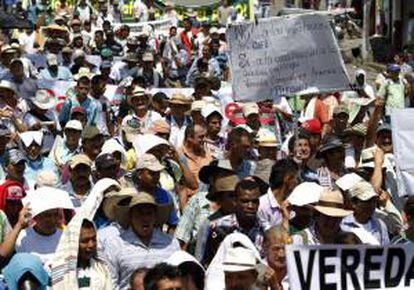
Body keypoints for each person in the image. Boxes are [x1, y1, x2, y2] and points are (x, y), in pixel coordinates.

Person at [100, 192, 180, 290]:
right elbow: (110, 284)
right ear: (130, 216)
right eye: (140, 213)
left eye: (149, 213)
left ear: (155, 216)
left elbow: (177, 280)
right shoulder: (115, 245)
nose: (145, 218)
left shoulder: (171, 243)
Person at [196, 178, 264, 266]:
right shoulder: (218, 227)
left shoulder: (266, 229)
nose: (250, 206)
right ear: (235, 201)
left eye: (254, 202)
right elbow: (205, 261)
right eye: (245, 201)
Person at [132, 154, 178, 229]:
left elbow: (173, 224)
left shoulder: (165, 196)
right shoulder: (131, 195)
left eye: (158, 173)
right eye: (152, 173)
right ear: (139, 174)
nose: (156, 177)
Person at [341, 181, 390, 245]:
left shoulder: (380, 225)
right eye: (367, 201)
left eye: (374, 201)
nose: (372, 205)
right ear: (354, 203)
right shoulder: (343, 225)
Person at [258, 159, 299, 231]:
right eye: (296, 178)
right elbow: (273, 237)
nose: (297, 182)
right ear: (288, 179)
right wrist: (285, 218)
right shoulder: (261, 205)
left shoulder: (293, 204)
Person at [178, 124, 212, 205]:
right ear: (190, 137)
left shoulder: (207, 155)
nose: (204, 139)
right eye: (201, 137)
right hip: (190, 204)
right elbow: (180, 188)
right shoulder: (179, 156)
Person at [77, 219, 112, 289]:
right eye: (85, 241)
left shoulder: (101, 268)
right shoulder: (64, 272)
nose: (91, 245)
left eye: (94, 239)